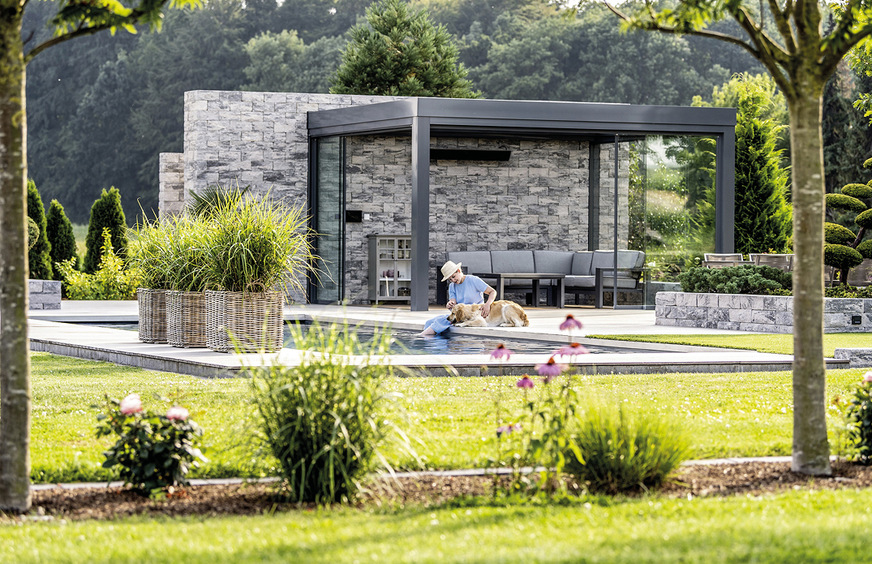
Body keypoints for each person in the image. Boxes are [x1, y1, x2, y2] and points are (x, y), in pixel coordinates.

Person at [418, 260, 496, 336]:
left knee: (441, 320)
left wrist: (488, 304)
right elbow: (453, 303)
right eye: (450, 279)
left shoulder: (473, 280)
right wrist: (450, 304)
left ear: (458, 270)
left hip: (474, 314)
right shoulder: (452, 286)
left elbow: (492, 291)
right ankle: (429, 339)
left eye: (453, 276)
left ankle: (422, 336)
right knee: (430, 321)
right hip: (460, 315)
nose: (453, 280)